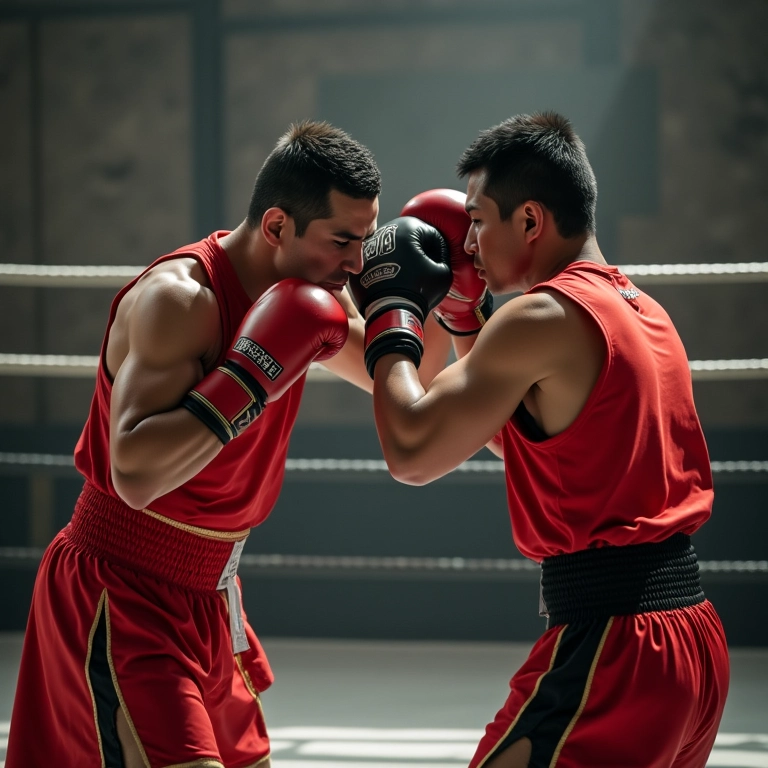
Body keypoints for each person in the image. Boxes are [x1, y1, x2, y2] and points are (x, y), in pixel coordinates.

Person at [6, 120, 455, 768]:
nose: (357, 264)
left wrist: (438, 301)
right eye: (342, 241)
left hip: (211, 594)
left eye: (365, 240)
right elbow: (132, 471)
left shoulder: (308, 299)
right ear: (277, 227)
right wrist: (248, 376)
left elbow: (407, 377)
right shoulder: (181, 299)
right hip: (123, 585)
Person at [349, 112, 730, 768]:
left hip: (615, 646)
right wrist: (465, 316)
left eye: (478, 219)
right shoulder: (642, 310)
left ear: (529, 221)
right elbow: (522, 440)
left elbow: (412, 451)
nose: (468, 242)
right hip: (690, 638)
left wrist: (391, 310)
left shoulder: (539, 316)